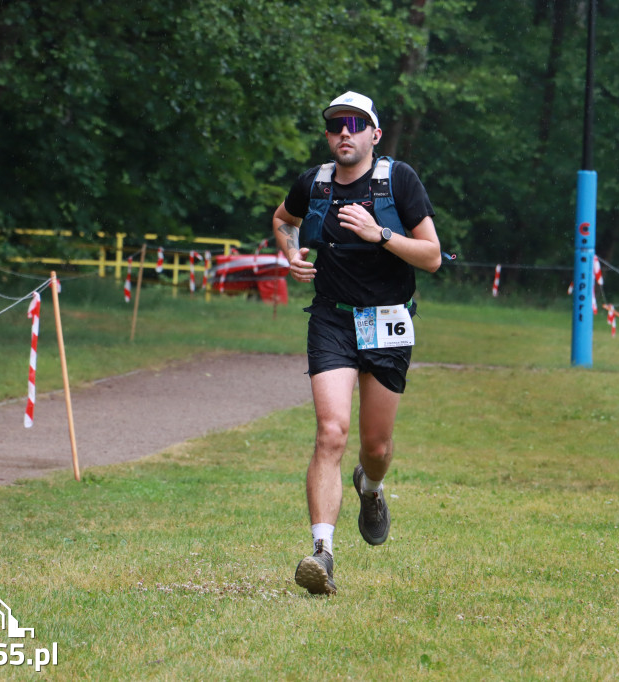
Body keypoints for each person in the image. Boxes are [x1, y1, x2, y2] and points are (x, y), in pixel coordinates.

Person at [271, 91, 441, 595]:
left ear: (374, 134)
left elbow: (431, 256)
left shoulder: (398, 180)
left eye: (355, 123)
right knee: (330, 432)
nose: (344, 132)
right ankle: (322, 554)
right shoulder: (314, 183)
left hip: (387, 320)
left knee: (376, 446)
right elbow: (283, 220)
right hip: (332, 320)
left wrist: (379, 234)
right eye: (335, 125)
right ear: (328, 136)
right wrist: (291, 254)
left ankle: (371, 486)